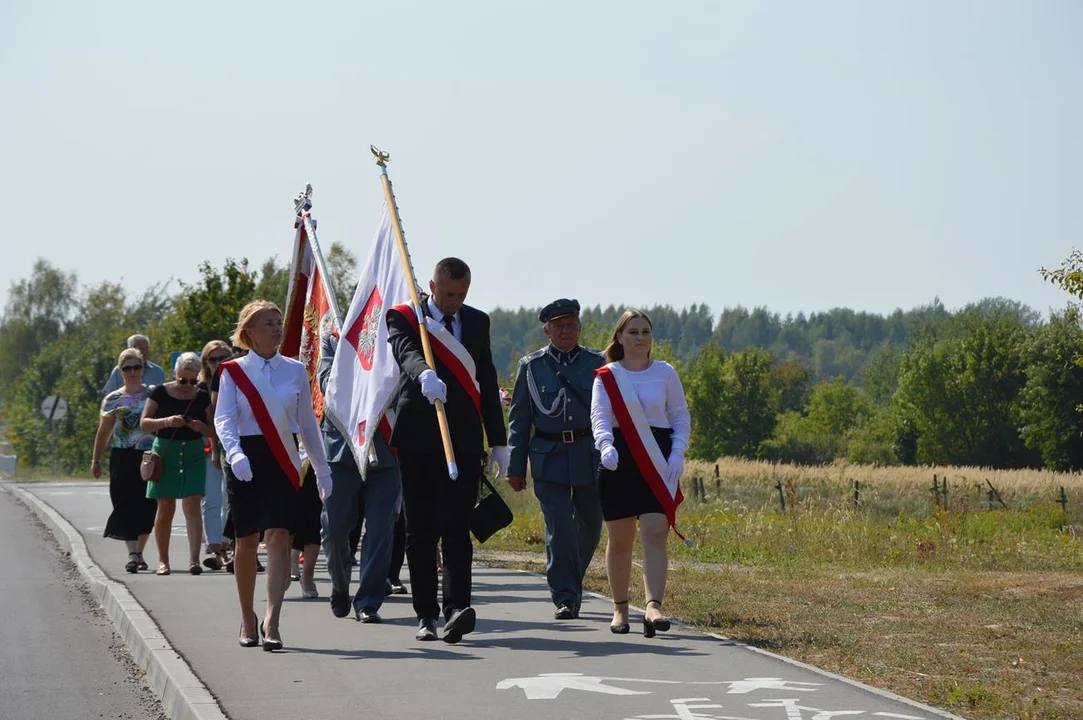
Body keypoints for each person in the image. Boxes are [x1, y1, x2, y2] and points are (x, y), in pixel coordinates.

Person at [386, 257, 508, 643]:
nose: (454, 301)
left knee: (457, 528)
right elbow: (404, 351)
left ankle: (457, 608)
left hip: (465, 440)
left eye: (462, 294)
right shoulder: (406, 317)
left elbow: (486, 380)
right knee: (420, 530)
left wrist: (499, 440)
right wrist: (424, 373)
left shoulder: (476, 321)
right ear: (432, 286)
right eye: (448, 293)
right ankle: (426, 613)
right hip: (419, 439)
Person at [214, 300, 332, 651]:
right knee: (247, 540)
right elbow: (224, 419)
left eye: (278, 322)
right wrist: (234, 453)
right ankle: (246, 616)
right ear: (249, 332)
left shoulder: (295, 370)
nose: (277, 329)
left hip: (283, 457)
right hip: (246, 459)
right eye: (268, 323)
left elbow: (308, 424)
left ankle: (272, 619)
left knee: (279, 536)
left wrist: (322, 469)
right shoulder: (233, 371)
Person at [590, 310, 690, 638]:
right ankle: (620, 608)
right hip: (619, 457)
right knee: (620, 540)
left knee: (655, 532)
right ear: (620, 337)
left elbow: (679, 415)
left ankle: (653, 605)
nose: (640, 337)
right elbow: (600, 416)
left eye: (646, 331)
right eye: (633, 331)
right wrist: (605, 446)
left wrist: (677, 452)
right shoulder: (607, 376)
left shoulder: (665, 373)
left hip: (657, 458)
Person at [507, 298, 604, 620]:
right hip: (548, 457)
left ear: (580, 326)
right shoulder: (532, 367)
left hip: (590, 455)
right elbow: (520, 421)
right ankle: (565, 595)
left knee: (590, 523)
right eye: (559, 326)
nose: (566, 331)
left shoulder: (598, 364)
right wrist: (515, 468)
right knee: (559, 526)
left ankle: (571, 581)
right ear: (547, 331)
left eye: (572, 324)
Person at [319, 332, 402, 621]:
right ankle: (340, 585)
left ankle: (368, 601)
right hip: (343, 447)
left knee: (381, 529)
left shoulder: (399, 337)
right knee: (335, 528)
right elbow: (326, 384)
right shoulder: (335, 338)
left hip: (386, 447)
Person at [140, 352, 214, 576]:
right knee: (165, 508)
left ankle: (194, 559)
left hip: (192, 453)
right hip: (165, 452)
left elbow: (214, 429)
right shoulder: (160, 392)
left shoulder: (201, 396)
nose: (187, 386)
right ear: (175, 374)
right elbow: (144, 424)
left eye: (193, 381)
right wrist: (166, 421)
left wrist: (201, 427)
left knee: (192, 504)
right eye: (183, 380)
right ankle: (163, 560)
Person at [91, 348, 158, 573]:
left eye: (136, 367)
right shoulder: (113, 399)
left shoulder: (154, 394)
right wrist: (96, 460)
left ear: (143, 369)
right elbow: (104, 431)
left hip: (148, 455)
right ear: (120, 371)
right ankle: (133, 553)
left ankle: (139, 550)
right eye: (127, 368)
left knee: (148, 505)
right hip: (122, 455)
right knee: (123, 503)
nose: (132, 372)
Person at [198, 340, 232, 570]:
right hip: (208, 447)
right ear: (205, 362)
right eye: (213, 359)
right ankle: (214, 546)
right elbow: (208, 422)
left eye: (223, 358)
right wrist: (214, 449)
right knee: (211, 499)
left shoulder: (235, 381)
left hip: (233, 446)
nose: (218, 363)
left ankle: (226, 547)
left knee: (228, 500)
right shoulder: (200, 388)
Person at [102, 334, 166, 395]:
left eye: (146, 348)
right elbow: (109, 395)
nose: (145, 351)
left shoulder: (158, 371)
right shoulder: (119, 370)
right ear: (131, 349)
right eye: (141, 348)